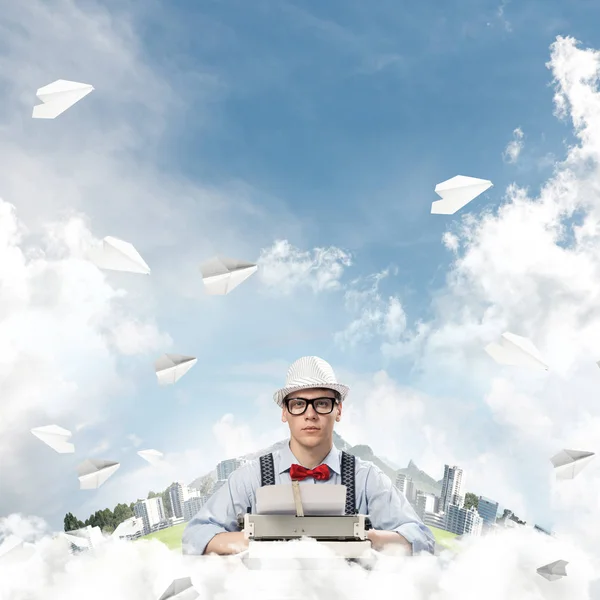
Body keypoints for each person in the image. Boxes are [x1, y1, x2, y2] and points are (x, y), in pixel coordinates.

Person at [182, 356, 435, 556]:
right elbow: (195, 536)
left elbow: (422, 539)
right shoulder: (251, 477)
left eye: (322, 403)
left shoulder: (367, 478)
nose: (310, 414)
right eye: (299, 404)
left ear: (338, 410)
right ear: (285, 412)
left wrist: (368, 539)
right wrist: (252, 541)